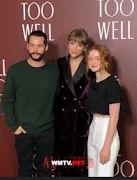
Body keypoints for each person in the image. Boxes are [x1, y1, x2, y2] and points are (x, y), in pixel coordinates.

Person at [1, 30, 59, 177]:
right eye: (32, 45)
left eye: (40, 45)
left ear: (46, 47)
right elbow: (7, 100)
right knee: (25, 171)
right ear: (27, 46)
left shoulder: (54, 70)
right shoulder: (15, 70)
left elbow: (59, 98)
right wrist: (15, 126)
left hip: (46, 131)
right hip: (23, 131)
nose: (35, 49)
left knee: (45, 171)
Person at [54, 28, 92, 176]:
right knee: (62, 162)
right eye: (72, 43)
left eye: (79, 45)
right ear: (68, 43)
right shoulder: (60, 63)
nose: (74, 48)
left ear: (85, 47)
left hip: (82, 119)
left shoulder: (90, 64)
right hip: (62, 119)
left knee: (79, 163)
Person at [86, 44, 122, 177]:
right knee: (92, 173)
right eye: (90, 59)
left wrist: (106, 147)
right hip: (94, 130)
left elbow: (114, 117)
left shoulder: (111, 83)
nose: (93, 62)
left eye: (97, 58)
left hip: (107, 133)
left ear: (105, 61)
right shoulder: (93, 81)